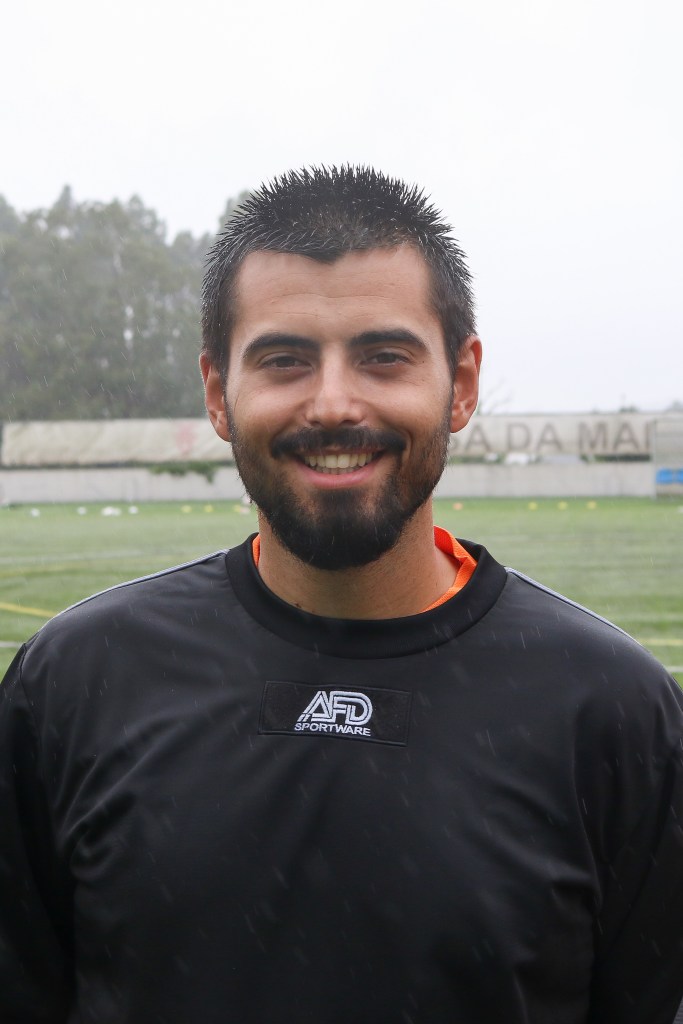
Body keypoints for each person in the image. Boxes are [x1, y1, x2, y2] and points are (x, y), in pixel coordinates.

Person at [1, 166, 682, 1024]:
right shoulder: (75, 679)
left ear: (461, 383)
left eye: (383, 357)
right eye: (284, 360)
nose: (331, 404)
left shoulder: (614, 709)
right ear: (217, 392)